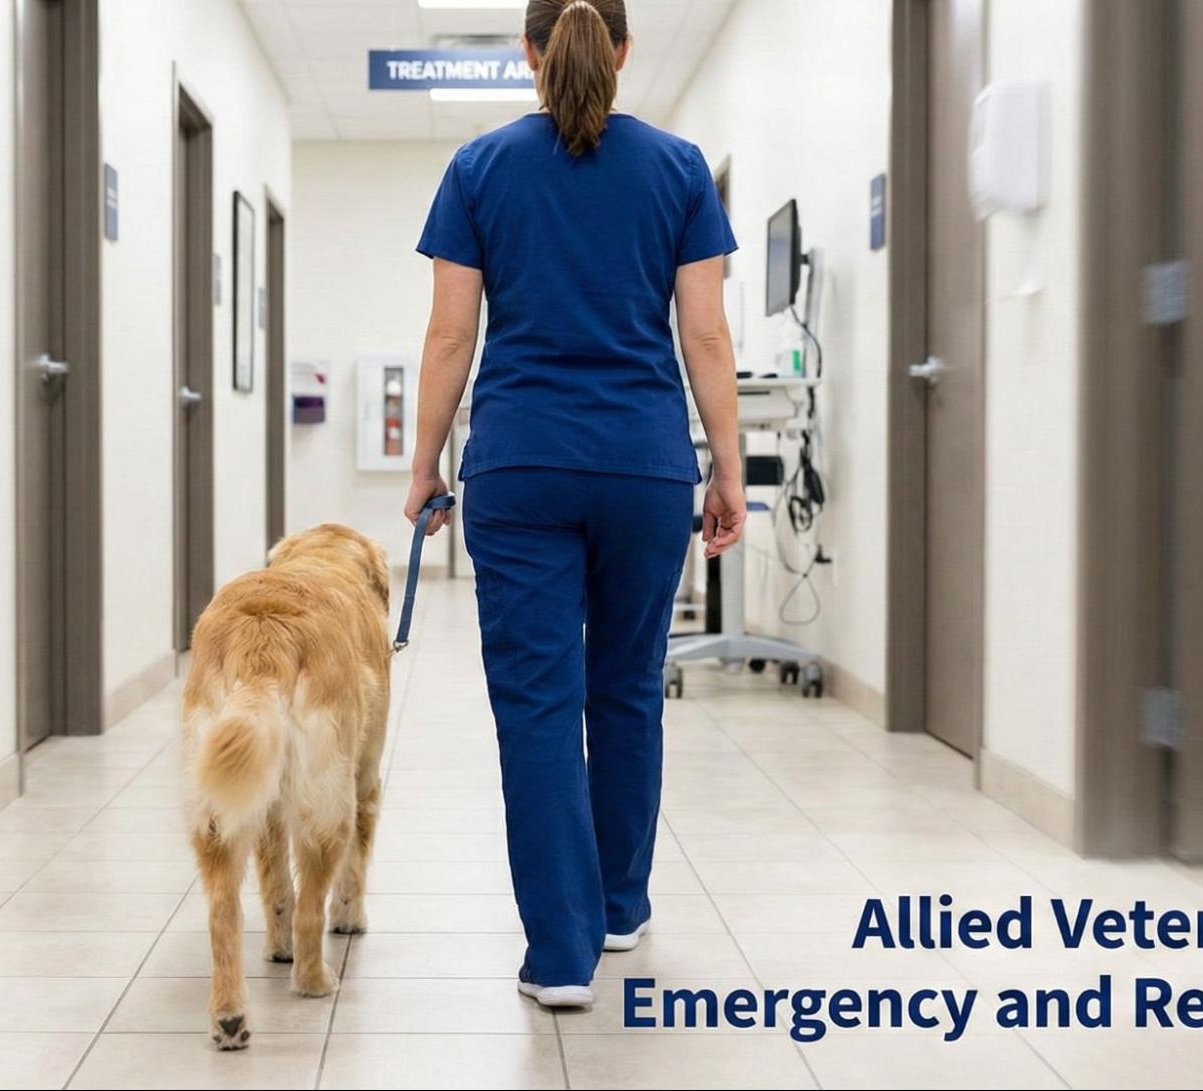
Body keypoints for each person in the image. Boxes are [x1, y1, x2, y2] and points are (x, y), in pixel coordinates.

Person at [404, 0, 747, 1009]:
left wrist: (424, 462)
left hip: (520, 467)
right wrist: (724, 467)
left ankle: (560, 954)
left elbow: (448, 339)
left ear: (527, 51)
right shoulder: (678, 168)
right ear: (623, 51)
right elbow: (708, 338)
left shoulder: (479, 169)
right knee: (628, 687)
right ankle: (618, 906)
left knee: (539, 704)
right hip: (643, 464)